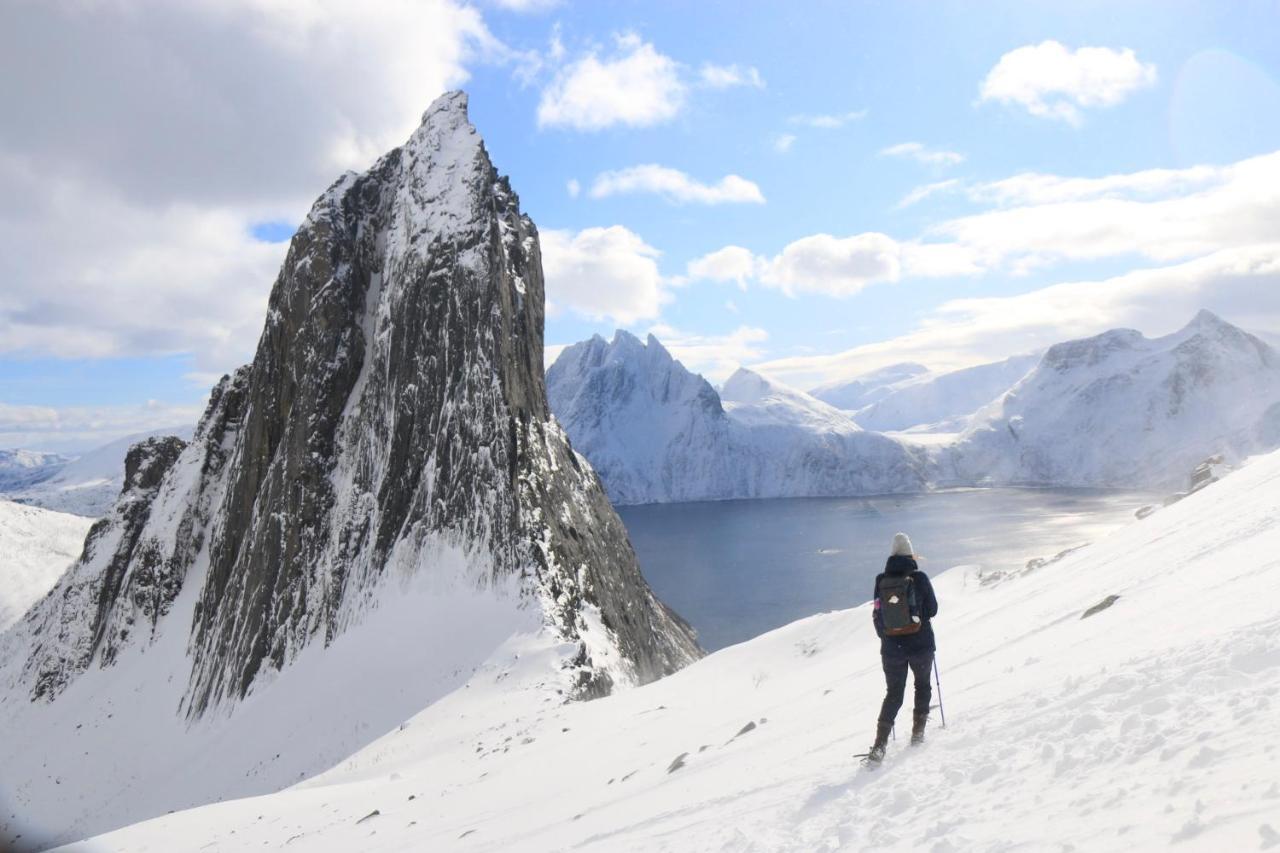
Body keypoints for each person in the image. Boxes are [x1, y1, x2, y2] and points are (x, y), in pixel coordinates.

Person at [866, 532, 938, 763]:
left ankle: (879, 745)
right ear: (910, 555)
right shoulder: (920, 578)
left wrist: (887, 636)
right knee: (923, 685)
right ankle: (917, 734)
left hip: (891, 648)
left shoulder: (880, 580)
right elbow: (933, 609)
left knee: (894, 694)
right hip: (921, 645)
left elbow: (877, 611)